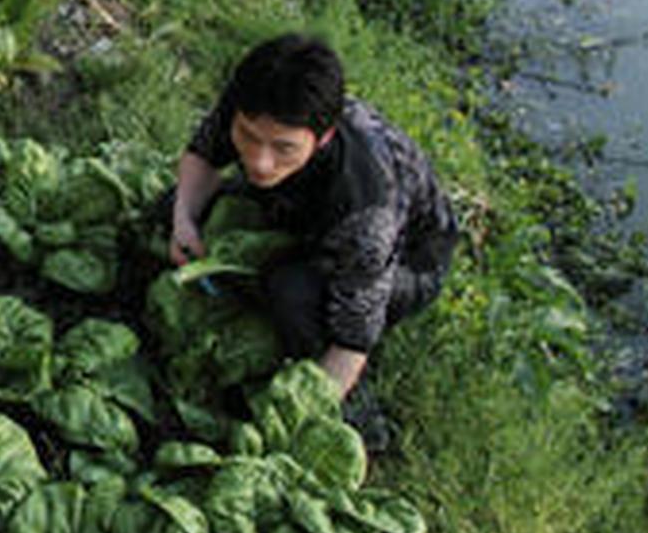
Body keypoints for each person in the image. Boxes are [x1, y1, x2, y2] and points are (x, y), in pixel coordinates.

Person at [164, 34, 458, 401]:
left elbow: (353, 337)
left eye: (282, 148)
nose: (259, 161)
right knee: (177, 204)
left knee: (291, 291)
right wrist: (183, 222)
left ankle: (357, 406)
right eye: (248, 137)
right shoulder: (256, 101)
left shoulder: (366, 211)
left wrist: (306, 407)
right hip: (305, 201)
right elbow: (204, 155)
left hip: (411, 263)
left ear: (323, 137)